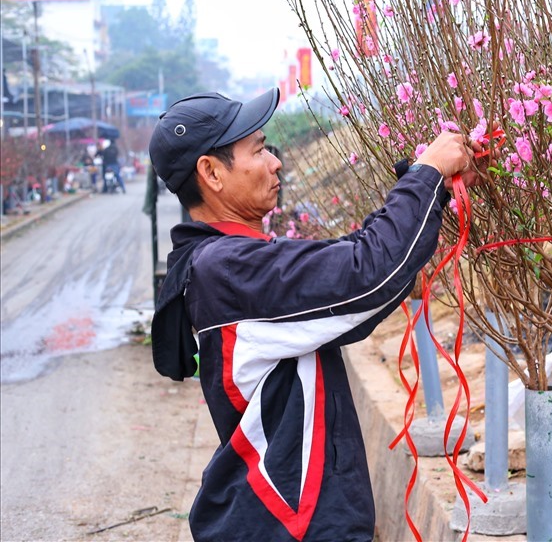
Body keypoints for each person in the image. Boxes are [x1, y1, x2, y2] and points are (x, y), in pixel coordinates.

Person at [148, 88, 490, 542]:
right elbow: (366, 275)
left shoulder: (229, 261)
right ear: (211, 173)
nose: (275, 162)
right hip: (291, 524)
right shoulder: (228, 269)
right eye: (258, 150)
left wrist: (434, 188)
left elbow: (350, 266)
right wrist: (426, 174)